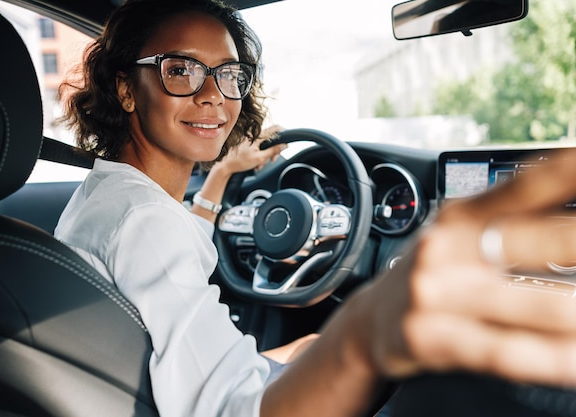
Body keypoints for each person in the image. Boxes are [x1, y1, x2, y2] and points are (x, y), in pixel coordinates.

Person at [54, 0, 576, 416]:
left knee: (310, 343)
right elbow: (231, 409)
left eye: (230, 74)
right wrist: (370, 326)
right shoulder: (144, 224)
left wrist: (220, 177)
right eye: (181, 70)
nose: (214, 95)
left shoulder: (111, 201)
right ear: (126, 89)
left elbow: (172, 247)